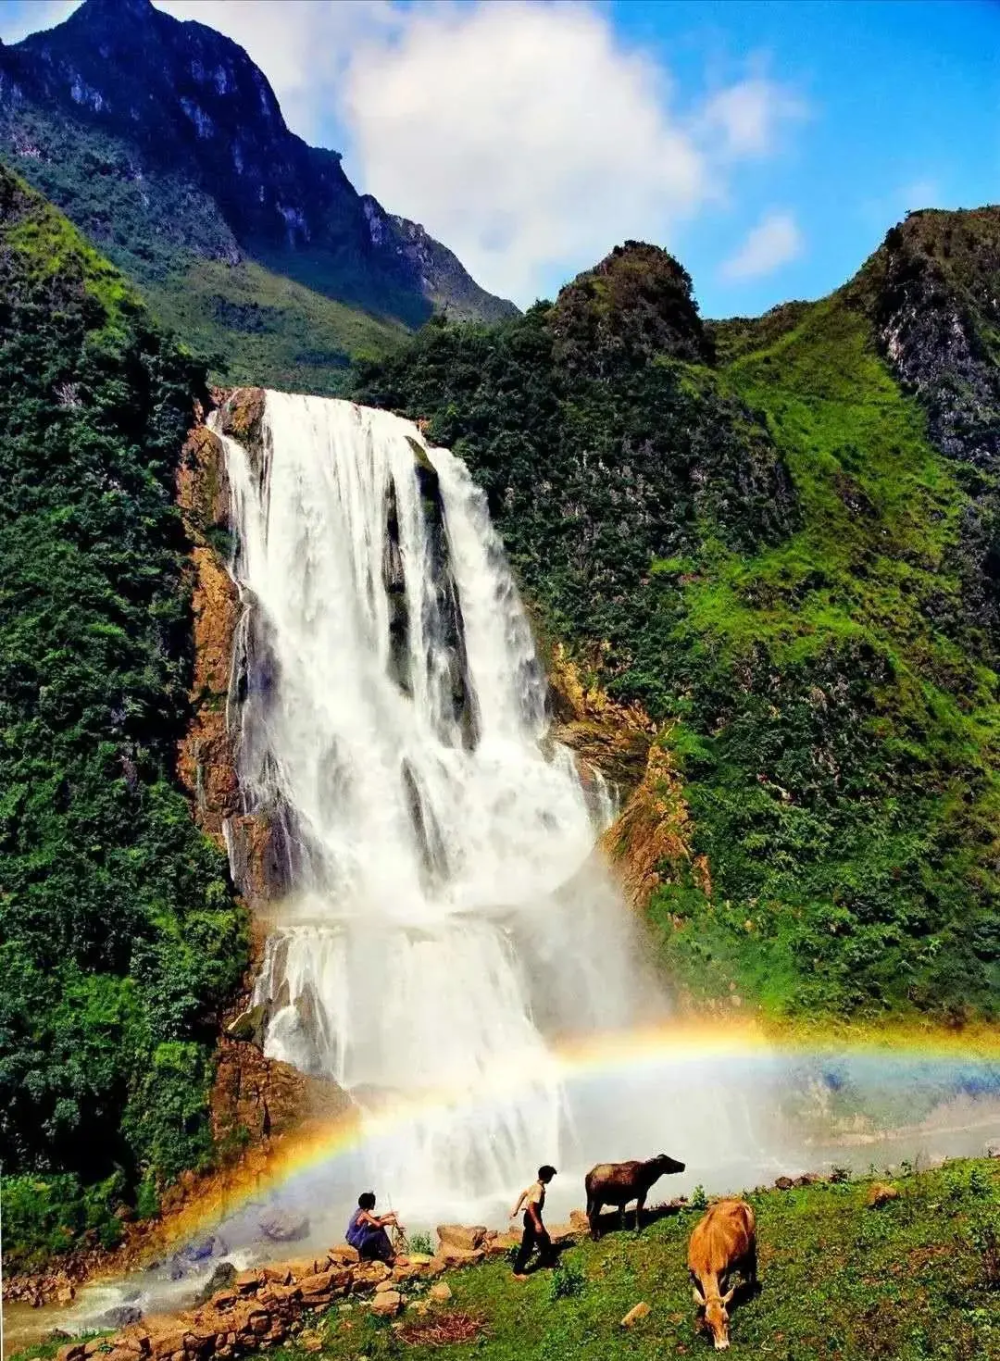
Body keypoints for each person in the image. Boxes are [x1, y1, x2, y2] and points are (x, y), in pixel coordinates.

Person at [510, 1164, 557, 1278]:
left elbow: (523, 1194)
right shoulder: (538, 1189)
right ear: (547, 1177)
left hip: (530, 1216)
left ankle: (546, 1262)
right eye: (551, 1177)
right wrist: (537, 1223)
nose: (551, 1179)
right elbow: (531, 1206)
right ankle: (518, 1271)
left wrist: (515, 1209)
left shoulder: (534, 1185)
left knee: (543, 1240)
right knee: (533, 1244)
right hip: (533, 1217)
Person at [345, 1192, 402, 1263]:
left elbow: (375, 1219)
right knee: (379, 1233)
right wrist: (388, 1222)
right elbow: (377, 1224)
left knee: (375, 1228)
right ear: (371, 1204)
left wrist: (389, 1214)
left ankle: (386, 1252)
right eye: (373, 1203)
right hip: (358, 1243)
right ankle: (390, 1256)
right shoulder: (364, 1214)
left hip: (353, 1240)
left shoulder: (359, 1211)